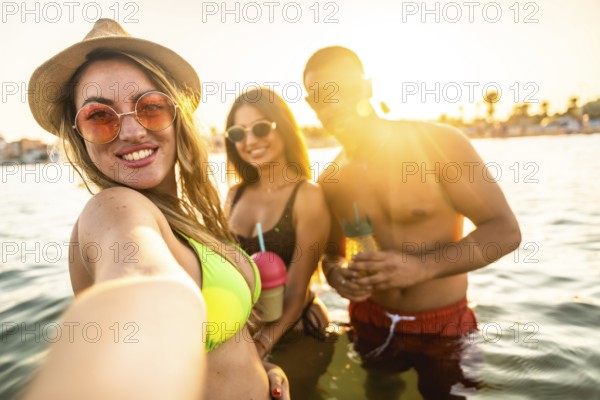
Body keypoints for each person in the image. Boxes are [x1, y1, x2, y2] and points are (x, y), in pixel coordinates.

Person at [24, 19, 288, 400]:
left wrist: (260, 366)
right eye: (100, 116)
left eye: (149, 107)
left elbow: (220, 345)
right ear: (80, 136)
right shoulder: (115, 209)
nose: (131, 132)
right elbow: (141, 283)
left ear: (176, 113)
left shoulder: (182, 215)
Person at [303, 46, 522, 399]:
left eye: (341, 88)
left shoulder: (437, 144)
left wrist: (420, 268)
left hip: (442, 329)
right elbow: (331, 256)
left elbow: (505, 231)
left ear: (368, 87)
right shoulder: (332, 179)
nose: (332, 103)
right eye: (319, 96)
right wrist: (339, 275)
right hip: (369, 321)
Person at [224, 87, 334, 398]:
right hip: (251, 333)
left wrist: (259, 347)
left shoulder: (307, 196)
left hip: (299, 332)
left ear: (282, 127)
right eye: (238, 132)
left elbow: (296, 291)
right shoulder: (234, 195)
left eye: (260, 128)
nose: (250, 141)